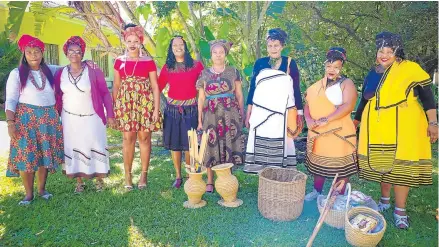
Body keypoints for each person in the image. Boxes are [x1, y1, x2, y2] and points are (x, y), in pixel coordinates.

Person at [355, 32, 438, 229]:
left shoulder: (409, 69)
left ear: (397, 52)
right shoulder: (373, 72)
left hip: (404, 125)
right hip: (376, 127)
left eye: (389, 51)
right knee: (382, 162)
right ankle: (384, 200)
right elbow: (364, 100)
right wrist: (356, 121)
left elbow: (427, 95)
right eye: (381, 51)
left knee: (402, 166)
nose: (384, 55)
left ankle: (400, 210)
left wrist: (433, 122)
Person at [5, 35, 63, 205]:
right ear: (24, 54)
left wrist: (88, 64)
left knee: (44, 155)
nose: (33, 55)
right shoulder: (16, 74)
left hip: (48, 118)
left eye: (36, 51)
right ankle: (28, 194)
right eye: (29, 52)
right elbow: (11, 100)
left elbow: (70, 67)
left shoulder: (50, 70)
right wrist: (10, 123)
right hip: (26, 119)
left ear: (42, 53)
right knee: (27, 156)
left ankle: (42, 189)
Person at [54, 36, 115, 193]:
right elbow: (57, 95)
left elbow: (105, 93)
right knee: (74, 147)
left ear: (82, 53)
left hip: (92, 117)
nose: (74, 53)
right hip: (69, 119)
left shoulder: (93, 70)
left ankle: (99, 180)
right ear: (66, 53)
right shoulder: (60, 72)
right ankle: (79, 181)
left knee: (95, 144)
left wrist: (110, 114)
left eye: (78, 51)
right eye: (71, 51)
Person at [243, 28, 302, 173]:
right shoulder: (260, 63)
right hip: (260, 111)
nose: (273, 48)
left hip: (282, 113)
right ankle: (263, 175)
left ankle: (279, 174)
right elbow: (253, 88)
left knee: (281, 142)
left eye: (276, 45)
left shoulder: (289, 63)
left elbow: (295, 88)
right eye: (270, 46)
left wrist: (299, 113)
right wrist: (249, 110)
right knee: (260, 140)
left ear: (282, 46)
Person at [303, 47, 358, 201]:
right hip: (318, 131)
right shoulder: (316, 86)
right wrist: (308, 120)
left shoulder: (346, 83)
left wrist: (327, 119)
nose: (332, 70)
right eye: (329, 66)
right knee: (319, 163)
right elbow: (307, 104)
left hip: (339, 132)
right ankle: (317, 191)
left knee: (340, 167)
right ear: (325, 66)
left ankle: (338, 197)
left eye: (336, 67)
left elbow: (348, 106)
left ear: (341, 68)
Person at [113, 24, 162, 190]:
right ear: (125, 42)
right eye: (129, 41)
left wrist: (155, 109)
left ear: (141, 42)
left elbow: (155, 86)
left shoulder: (148, 62)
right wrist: (116, 107)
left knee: (144, 138)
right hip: (126, 105)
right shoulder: (119, 61)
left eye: (135, 41)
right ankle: (127, 175)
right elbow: (116, 86)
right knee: (128, 138)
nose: (132, 44)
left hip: (144, 104)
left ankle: (143, 174)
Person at [196, 40, 245, 193]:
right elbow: (201, 98)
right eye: (215, 52)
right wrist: (199, 119)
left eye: (221, 52)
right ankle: (210, 180)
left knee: (229, 142)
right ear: (211, 55)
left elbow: (239, 94)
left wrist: (241, 114)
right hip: (210, 114)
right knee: (212, 145)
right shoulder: (204, 74)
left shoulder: (233, 71)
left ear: (225, 54)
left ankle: (227, 176)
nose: (218, 55)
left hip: (231, 113)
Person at [158, 35, 204, 188]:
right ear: (171, 49)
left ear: (185, 46)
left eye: (181, 44)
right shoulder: (167, 67)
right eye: (175, 45)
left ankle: (190, 173)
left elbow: (205, 84)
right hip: (172, 111)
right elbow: (157, 87)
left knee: (190, 145)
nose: (178, 47)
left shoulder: (196, 66)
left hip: (191, 109)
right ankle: (178, 176)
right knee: (175, 145)